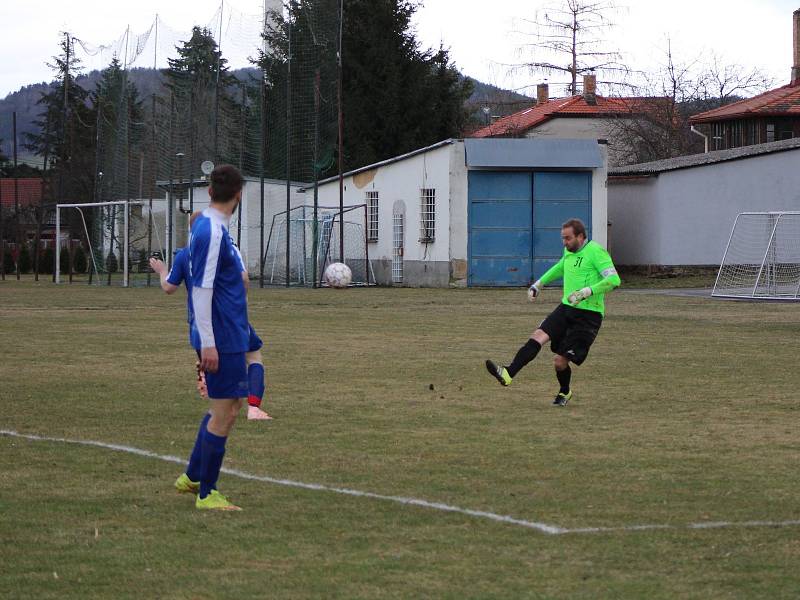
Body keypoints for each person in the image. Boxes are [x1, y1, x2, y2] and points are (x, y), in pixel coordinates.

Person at [167, 164, 250, 510]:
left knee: (229, 407)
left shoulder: (208, 224)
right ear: (240, 195)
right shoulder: (212, 232)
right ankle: (207, 493)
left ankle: (192, 476)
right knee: (225, 414)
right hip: (222, 336)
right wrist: (209, 342)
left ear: (210, 192)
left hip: (229, 332)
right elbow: (200, 289)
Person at [485, 218, 621, 406]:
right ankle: (508, 373)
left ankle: (565, 392)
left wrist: (586, 291)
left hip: (588, 316)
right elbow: (560, 267)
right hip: (566, 308)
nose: (564, 243)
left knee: (559, 362)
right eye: (562, 239)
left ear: (581, 236)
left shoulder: (596, 252)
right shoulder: (568, 251)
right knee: (538, 335)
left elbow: (614, 280)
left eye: (568, 238)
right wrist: (538, 284)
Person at [150, 221, 273, 421]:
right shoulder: (228, 249)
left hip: (199, 323)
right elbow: (243, 278)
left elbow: (168, 287)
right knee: (253, 357)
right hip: (228, 318)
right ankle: (253, 408)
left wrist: (162, 270)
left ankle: (209, 376)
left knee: (218, 364)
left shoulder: (184, 254)